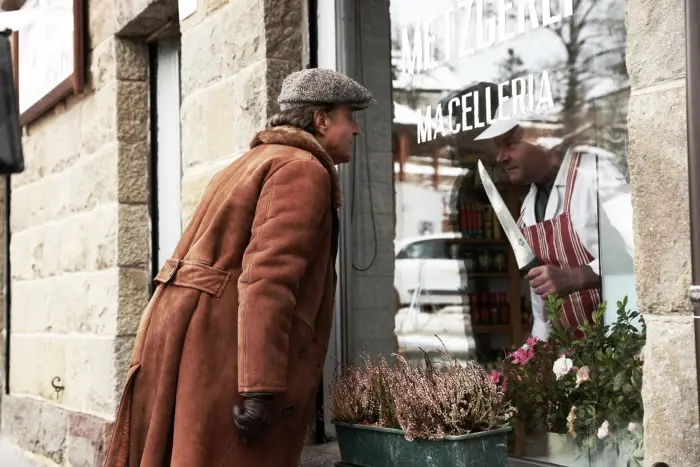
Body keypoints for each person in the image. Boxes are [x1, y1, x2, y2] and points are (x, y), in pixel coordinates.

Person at [103, 68, 376, 467]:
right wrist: (259, 389)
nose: (356, 130)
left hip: (190, 338)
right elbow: (269, 277)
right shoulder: (302, 169)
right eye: (349, 117)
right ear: (321, 119)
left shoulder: (251, 161)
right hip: (222, 349)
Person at [441, 82, 633, 341]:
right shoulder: (527, 210)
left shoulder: (594, 173)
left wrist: (578, 276)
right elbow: (541, 303)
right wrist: (535, 354)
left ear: (543, 142)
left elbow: (638, 252)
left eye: (509, 144)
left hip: (618, 343)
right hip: (571, 355)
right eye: (498, 148)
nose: (501, 157)